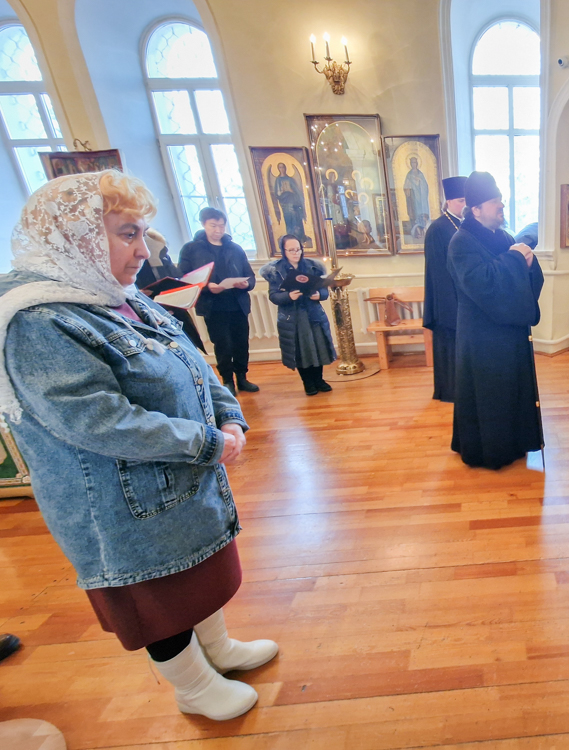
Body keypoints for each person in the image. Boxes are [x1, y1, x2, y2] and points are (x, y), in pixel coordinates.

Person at [0, 171, 278, 721]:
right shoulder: (38, 320)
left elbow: (192, 362)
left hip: (176, 477)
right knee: (157, 597)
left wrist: (229, 415)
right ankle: (192, 685)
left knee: (195, 574)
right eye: (128, 234)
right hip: (121, 503)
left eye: (142, 233)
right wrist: (207, 441)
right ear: (76, 238)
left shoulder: (119, 298)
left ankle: (217, 650)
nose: (143, 251)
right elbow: (99, 420)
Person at [447, 171, 544, 469]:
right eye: (494, 201)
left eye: (501, 199)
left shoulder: (504, 237)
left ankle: (516, 442)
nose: (502, 205)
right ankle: (490, 452)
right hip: (481, 337)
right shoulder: (461, 242)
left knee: (511, 391)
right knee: (489, 394)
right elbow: (482, 282)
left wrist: (529, 263)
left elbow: (519, 274)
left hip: (510, 333)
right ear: (476, 209)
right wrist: (515, 259)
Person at [178, 207, 259, 396]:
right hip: (213, 306)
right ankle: (227, 380)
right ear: (203, 224)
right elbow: (184, 277)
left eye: (221, 226)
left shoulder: (235, 248)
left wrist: (245, 284)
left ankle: (242, 378)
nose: (218, 230)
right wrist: (208, 287)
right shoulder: (192, 249)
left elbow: (250, 276)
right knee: (223, 344)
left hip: (237, 304)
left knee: (241, 343)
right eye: (213, 226)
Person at [260, 235, 336, 395]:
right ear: (284, 251)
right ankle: (308, 382)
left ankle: (319, 380)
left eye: (298, 249)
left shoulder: (313, 266)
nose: (296, 253)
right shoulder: (276, 270)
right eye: (291, 250)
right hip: (292, 317)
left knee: (317, 347)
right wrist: (289, 296)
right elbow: (274, 296)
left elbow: (323, 289)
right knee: (301, 350)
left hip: (313, 314)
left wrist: (320, 295)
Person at [422, 175, 466, 403]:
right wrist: (452, 304)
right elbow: (438, 272)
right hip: (446, 301)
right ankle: (448, 392)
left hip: (460, 298)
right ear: (449, 201)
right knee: (448, 348)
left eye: (467, 201)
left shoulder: (460, 224)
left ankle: (461, 389)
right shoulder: (438, 228)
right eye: (460, 201)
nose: (464, 205)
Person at [135, 227, 206, 352]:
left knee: (188, 345)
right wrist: (139, 293)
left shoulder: (163, 256)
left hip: (174, 308)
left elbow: (175, 275)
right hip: (151, 311)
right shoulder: (136, 264)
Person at [403, 156, 431, 240]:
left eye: (415, 162)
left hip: (421, 198)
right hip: (413, 199)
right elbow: (406, 187)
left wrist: (420, 181)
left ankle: (424, 230)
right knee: (414, 213)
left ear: (417, 163)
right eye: (412, 162)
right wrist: (409, 188)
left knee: (422, 213)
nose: (413, 164)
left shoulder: (420, 174)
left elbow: (425, 186)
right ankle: (416, 232)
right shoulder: (409, 175)